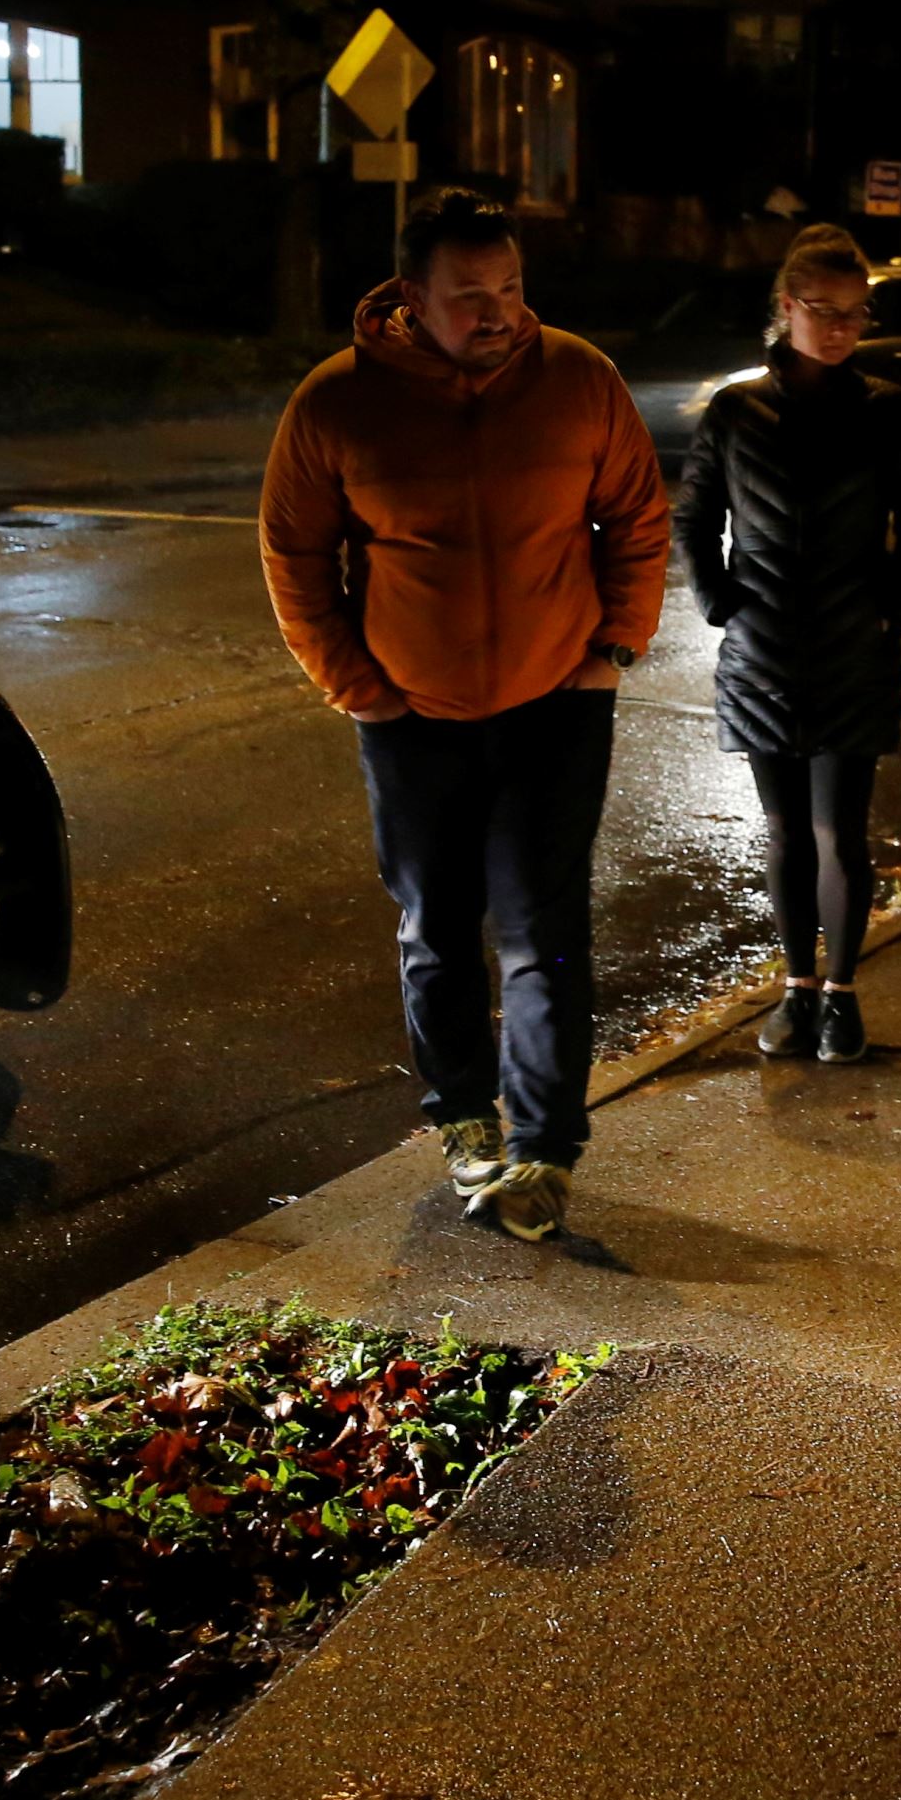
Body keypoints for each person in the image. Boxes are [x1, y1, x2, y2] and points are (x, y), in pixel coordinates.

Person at [261, 188, 671, 1243]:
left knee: (544, 931)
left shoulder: (580, 380)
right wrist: (358, 685)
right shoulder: (337, 403)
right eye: (470, 296)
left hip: (556, 702)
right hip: (410, 718)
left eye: (512, 290)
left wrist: (614, 646)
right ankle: (464, 1121)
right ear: (409, 297)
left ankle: (543, 1150)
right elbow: (294, 557)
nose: (497, 314)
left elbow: (635, 512)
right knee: (438, 931)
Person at [678, 224, 901, 1065]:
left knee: (841, 829)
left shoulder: (885, 410)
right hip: (760, 648)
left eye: (855, 314)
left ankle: (841, 998)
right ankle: (795, 992)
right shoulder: (737, 409)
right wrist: (720, 602)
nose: (839, 329)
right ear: (785, 308)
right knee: (784, 828)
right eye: (823, 311)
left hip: (850, 644)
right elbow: (693, 516)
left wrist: (885, 616)